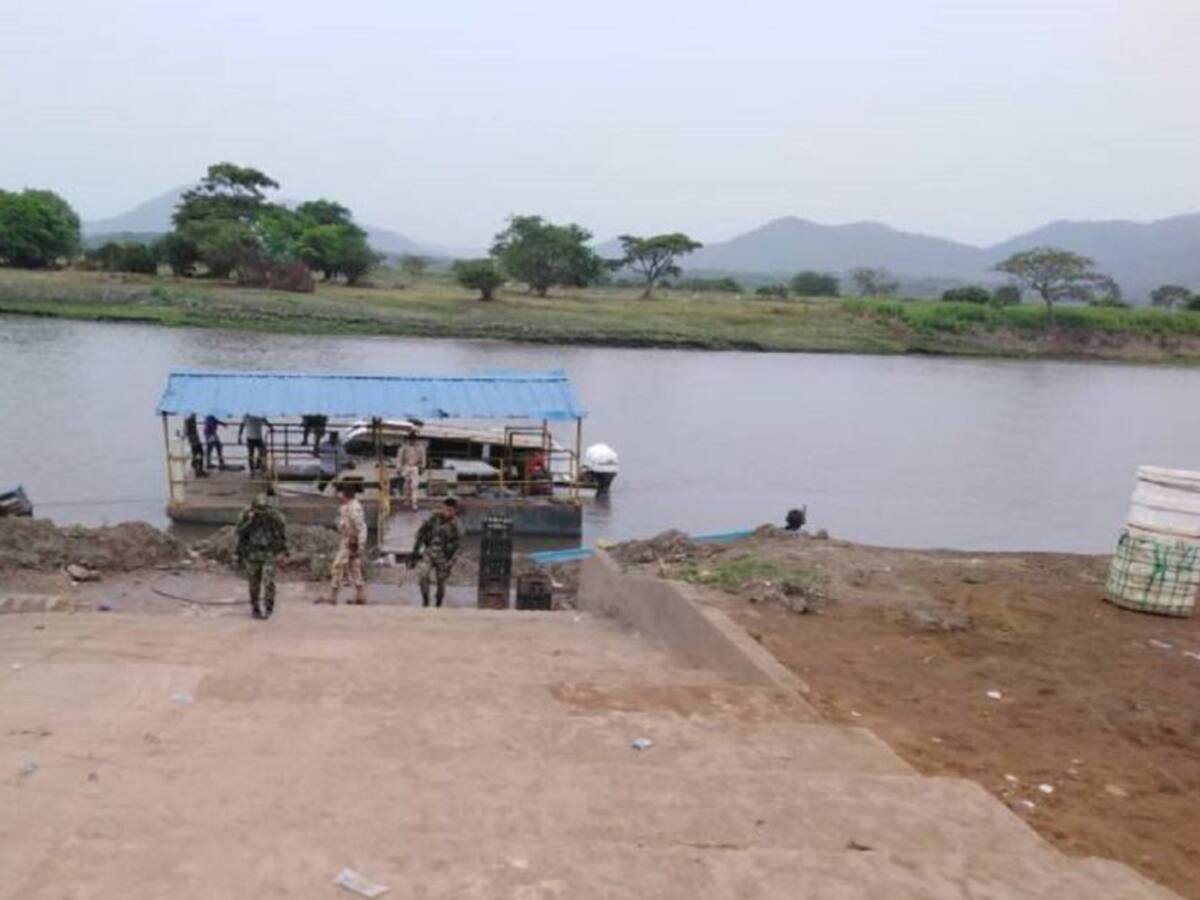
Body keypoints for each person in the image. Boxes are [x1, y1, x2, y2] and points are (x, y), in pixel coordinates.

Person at [234, 490, 288, 620]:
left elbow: (282, 527)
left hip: (269, 553)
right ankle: (255, 607)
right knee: (253, 583)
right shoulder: (247, 514)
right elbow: (239, 532)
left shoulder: (273, 515)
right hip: (253, 553)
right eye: (259, 508)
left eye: (263, 508)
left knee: (268, 581)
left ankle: (269, 607)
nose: (261, 510)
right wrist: (251, 520)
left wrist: (271, 516)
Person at [410, 497, 463, 608]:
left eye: (450, 511)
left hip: (444, 556)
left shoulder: (457, 526)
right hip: (429, 552)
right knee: (423, 575)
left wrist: (451, 563)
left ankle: (438, 603)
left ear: (455, 511)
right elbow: (420, 534)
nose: (447, 512)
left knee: (441, 582)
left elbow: (459, 548)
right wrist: (414, 553)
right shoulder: (434, 518)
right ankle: (425, 601)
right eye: (445, 509)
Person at [319, 483, 368, 605]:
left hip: (351, 542)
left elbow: (361, 527)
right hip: (348, 540)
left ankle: (333, 596)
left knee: (337, 566)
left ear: (345, 494)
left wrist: (360, 545)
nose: (338, 495)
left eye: (339, 493)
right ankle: (360, 595)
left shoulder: (353, 508)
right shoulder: (347, 506)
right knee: (354, 568)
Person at [397, 434, 427, 511]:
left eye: (414, 439)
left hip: (415, 467)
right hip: (406, 467)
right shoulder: (404, 447)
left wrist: (423, 467)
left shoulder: (420, 448)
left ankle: (414, 504)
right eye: (411, 439)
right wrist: (399, 468)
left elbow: (423, 458)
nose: (412, 440)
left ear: (416, 439)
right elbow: (399, 458)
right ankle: (406, 500)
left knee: (414, 486)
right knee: (406, 485)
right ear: (409, 439)